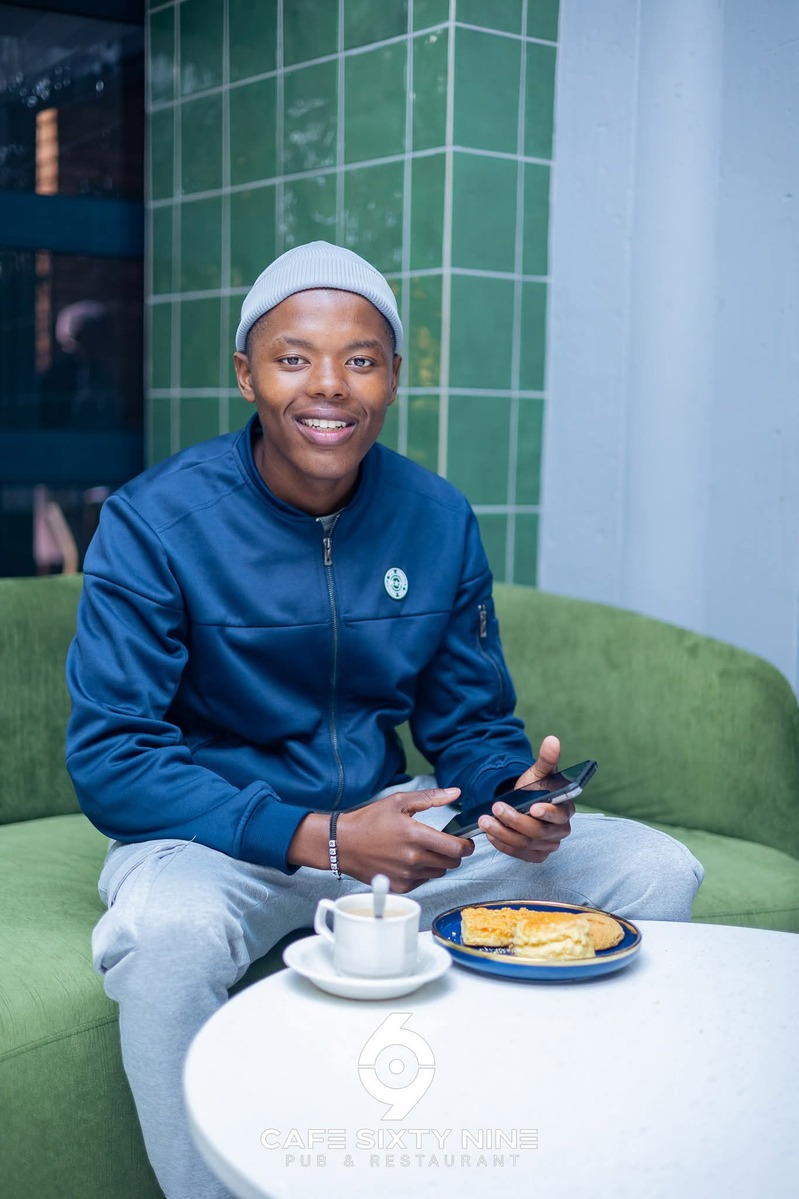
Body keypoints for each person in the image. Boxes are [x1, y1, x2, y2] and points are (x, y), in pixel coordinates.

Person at [66, 241, 703, 1199]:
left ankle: (546, 1157)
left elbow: (469, 722)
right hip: (216, 840)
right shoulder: (153, 521)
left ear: (393, 376)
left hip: (391, 827)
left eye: (360, 359)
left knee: (653, 869)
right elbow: (112, 755)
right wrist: (320, 837)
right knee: (168, 934)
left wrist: (513, 796)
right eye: (293, 358)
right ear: (246, 373)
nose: (329, 384)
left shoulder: (435, 517)